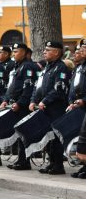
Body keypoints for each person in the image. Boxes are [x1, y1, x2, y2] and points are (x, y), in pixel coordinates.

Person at [30, 41, 70, 175]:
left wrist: (45, 101)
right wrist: (33, 100)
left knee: (56, 137)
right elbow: (37, 86)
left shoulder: (61, 68)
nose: (44, 52)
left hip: (55, 108)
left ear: (57, 52)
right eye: (44, 50)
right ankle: (51, 162)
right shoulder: (46, 68)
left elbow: (59, 89)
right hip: (44, 108)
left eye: (48, 50)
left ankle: (58, 165)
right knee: (48, 137)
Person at [0, 43, 37, 170]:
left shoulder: (28, 66)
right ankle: (21, 159)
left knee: (24, 133)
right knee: (19, 134)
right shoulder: (17, 66)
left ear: (25, 53)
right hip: (15, 104)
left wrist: (20, 103)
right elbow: (12, 87)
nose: (14, 54)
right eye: (13, 51)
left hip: (23, 106)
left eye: (17, 51)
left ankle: (24, 161)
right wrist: (6, 100)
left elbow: (28, 88)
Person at [67, 39, 86, 178]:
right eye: (80, 49)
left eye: (83, 49)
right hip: (78, 105)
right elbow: (73, 87)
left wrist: (83, 100)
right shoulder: (79, 67)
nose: (79, 52)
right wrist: (71, 101)